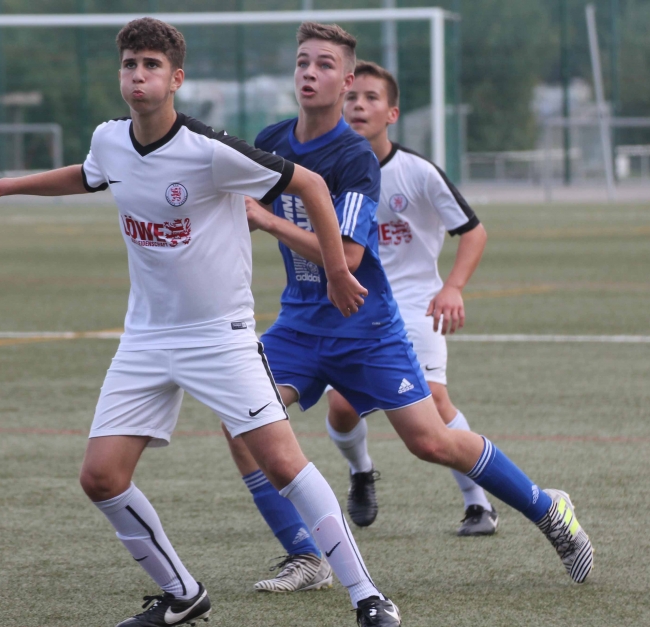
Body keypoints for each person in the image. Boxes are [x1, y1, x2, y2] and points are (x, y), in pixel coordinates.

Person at [0, 18, 401, 627]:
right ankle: (183, 593)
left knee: (284, 464)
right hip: (146, 339)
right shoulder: (109, 140)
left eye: (151, 65)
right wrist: (1, 187)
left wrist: (339, 271)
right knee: (101, 477)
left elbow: (313, 185)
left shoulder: (210, 150)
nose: (138, 75)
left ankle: (368, 597)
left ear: (176, 78)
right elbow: (88, 173)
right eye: (130, 64)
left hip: (220, 335)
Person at [224, 22, 594, 596]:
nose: (309, 73)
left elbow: (347, 256)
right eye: (302, 62)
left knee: (431, 441)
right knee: (242, 421)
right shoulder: (271, 140)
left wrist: (269, 220)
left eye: (324, 64)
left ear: (346, 81)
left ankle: (549, 509)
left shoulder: (354, 157)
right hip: (297, 324)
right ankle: (306, 555)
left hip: (365, 326)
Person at [327, 60, 495, 536]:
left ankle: (478, 503)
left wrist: (452, 287)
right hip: (356, 302)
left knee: (435, 401)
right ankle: (361, 472)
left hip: (415, 302)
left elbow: (474, 232)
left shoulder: (418, 173)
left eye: (371, 98)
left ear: (392, 113)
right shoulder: (328, 171)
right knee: (341, 407)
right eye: (351, 97)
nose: (359, 106)